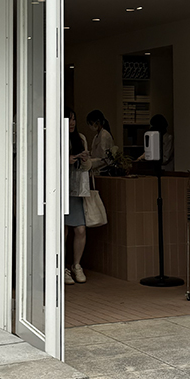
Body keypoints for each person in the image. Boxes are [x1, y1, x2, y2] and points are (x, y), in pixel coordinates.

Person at [64, 111, 90, 285]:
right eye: (69, 119)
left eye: (74, 119)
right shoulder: (54, 135)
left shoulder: (80, 138)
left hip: (76, 189)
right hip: (59, 188)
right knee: (62, 231)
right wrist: (66, 160)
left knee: (80, 229)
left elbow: (87, 167)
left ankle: (76, 265)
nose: (72, 122)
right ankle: (61, 266)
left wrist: (85, 159)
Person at [86, 109, 114, 174]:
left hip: (103, 170)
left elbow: (104, 158)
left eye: (91, 123)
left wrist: (90, 162)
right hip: (97, 168)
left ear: (97, 122)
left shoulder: (104, 135)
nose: (90, 126)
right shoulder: (96, 137)